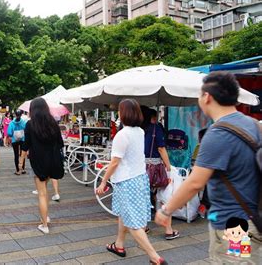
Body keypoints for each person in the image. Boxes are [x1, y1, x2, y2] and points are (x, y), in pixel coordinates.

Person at [155, 71, 261, 263]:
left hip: (233, 226)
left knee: (233, 261)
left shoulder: (217, 133)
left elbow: (195, 182)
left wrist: (166, 210)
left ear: (207, 97)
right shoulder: (254, 125)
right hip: (254, 218)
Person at [96, 99, 168, 265]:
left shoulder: (122, 135)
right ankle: (119, 245)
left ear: (123, 113)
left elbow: (115, 162)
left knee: (134, 224)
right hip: (139, 178)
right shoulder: (139, 131)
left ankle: (155, 258)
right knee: (124, 213)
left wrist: (103, 181)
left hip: (127, 181)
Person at [22, 98, 64, 234]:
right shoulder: (53, 123)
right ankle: (45, 216)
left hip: (39, 162)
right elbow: (60, 144)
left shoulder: (30, 124)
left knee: (41, 193)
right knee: (45, 191)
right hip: (53, 161)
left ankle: (44, 224)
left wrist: (20, 160)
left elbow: (26, 144)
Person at [141, 107, 179, 240]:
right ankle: (168, 230)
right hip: (155, 166)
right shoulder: (155, 128)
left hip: (141, 166)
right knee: (165, 195)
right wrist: (168, 167)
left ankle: (143, 226)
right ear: (153, 117)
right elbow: (161, 148)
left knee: (144, 196)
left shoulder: (139, 129)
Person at [8, 110, 27, 175]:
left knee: (16, 155)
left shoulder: (11, 123)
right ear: (21, 115)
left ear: (15, 115)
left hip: (14, 140)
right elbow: (26, 130)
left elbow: (9, 133)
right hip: (22, 139)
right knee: (22, 154)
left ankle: (18, 170)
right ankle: (23, 169)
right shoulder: (23, 122)